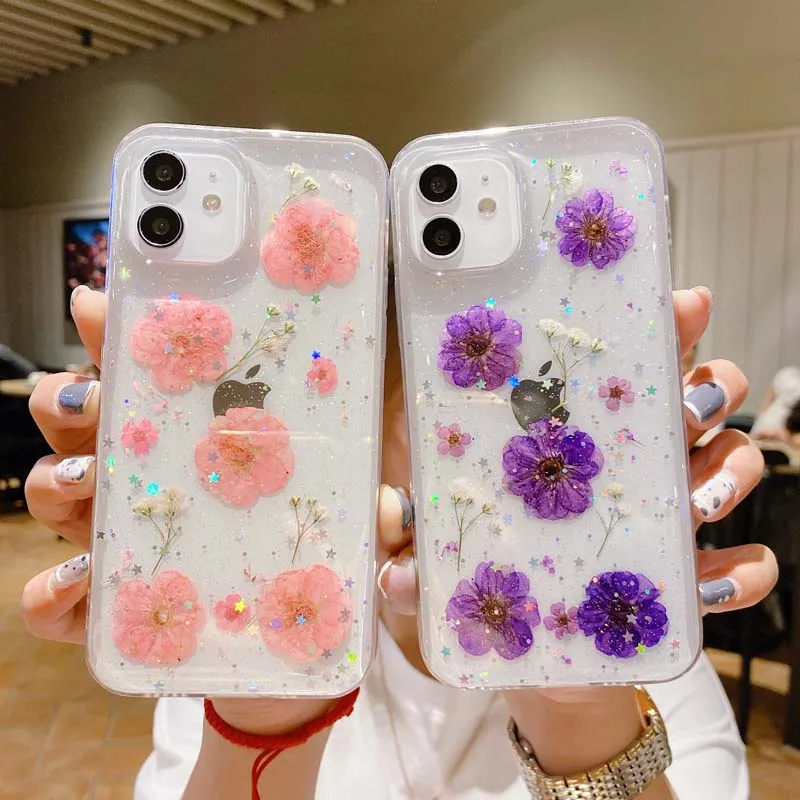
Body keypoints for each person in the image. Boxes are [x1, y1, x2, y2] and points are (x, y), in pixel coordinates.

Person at [21, 285, 775, 800]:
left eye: (519, 416)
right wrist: (268, 716)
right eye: (438, 421)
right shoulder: (242, 630)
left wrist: (576, 713)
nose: (489, 464)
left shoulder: (626, 637)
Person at [750, 365, 800, 443]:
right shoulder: (788, 374)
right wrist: (760, 416)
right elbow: (769, 398)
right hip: (772, 419)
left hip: (787, 428)